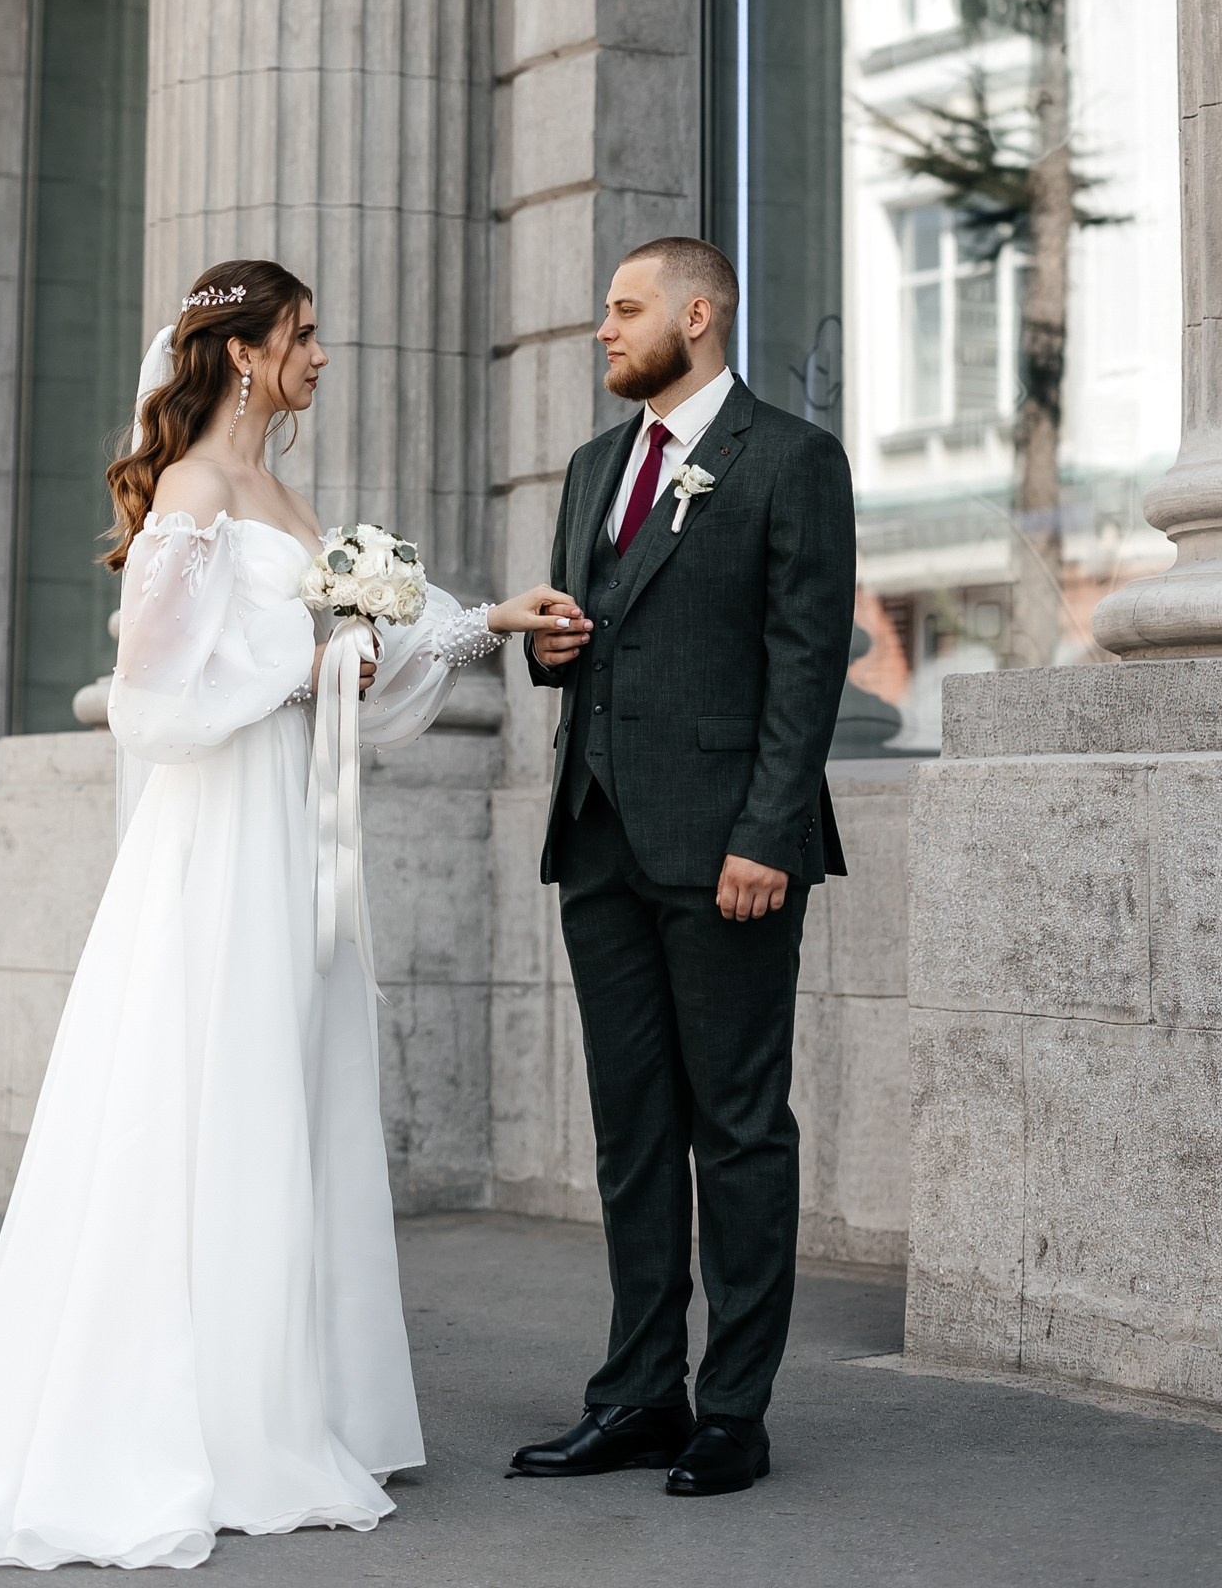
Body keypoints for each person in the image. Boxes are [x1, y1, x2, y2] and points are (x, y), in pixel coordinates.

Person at [0, 258, 571, 1572]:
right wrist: (305, 663)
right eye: (304, 335)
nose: (322, 356)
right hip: (220, 830)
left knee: (287, 1082)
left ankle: (288, 1401)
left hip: (291, 822)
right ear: (246, 353)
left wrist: (482, 622)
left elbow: (358, 648)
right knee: (212, 1084)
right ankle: (192, 1420)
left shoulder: (285, 496)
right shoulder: (193, 492)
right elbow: (152, 692)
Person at [509, 236, 856, 1500]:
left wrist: (767, 834)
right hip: (598, 836)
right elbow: (594, 634)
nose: (603, 329)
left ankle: (733, 1412)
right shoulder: (593, 465)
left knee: (739, 1128)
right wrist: (549, 650)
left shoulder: (791, 460)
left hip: (726, 849)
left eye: (624, 308)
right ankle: (637, 1396)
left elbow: (805, 662)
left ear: (697, 315)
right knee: (632, 1131)